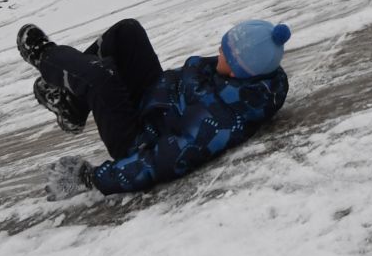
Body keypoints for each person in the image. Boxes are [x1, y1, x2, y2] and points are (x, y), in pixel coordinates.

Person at [15, 16, 290, 197]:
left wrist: (91, 178)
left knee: (102, 78)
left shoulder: (218, 119)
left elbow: (162, 162)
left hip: (137, 138)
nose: (218, 52)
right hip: (155, 102)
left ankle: (45, 56)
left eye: (225, 53)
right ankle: (71, 107)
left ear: (237, 70)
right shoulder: (245, 76)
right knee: (128, 32)